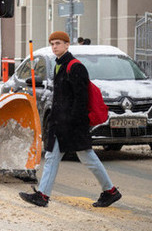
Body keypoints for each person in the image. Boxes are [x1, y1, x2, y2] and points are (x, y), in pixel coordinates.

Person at [19, 31, 122, 208]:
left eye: (58, 43)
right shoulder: (59, 65)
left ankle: (110, 191)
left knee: (87, 157)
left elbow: (81, 99)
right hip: (60, 123)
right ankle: (43, 195)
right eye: (52, 43)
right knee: (52, 157)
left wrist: (73, 123)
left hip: (72, 124)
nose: (54, 46)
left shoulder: (75, 67)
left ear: (67, 45)